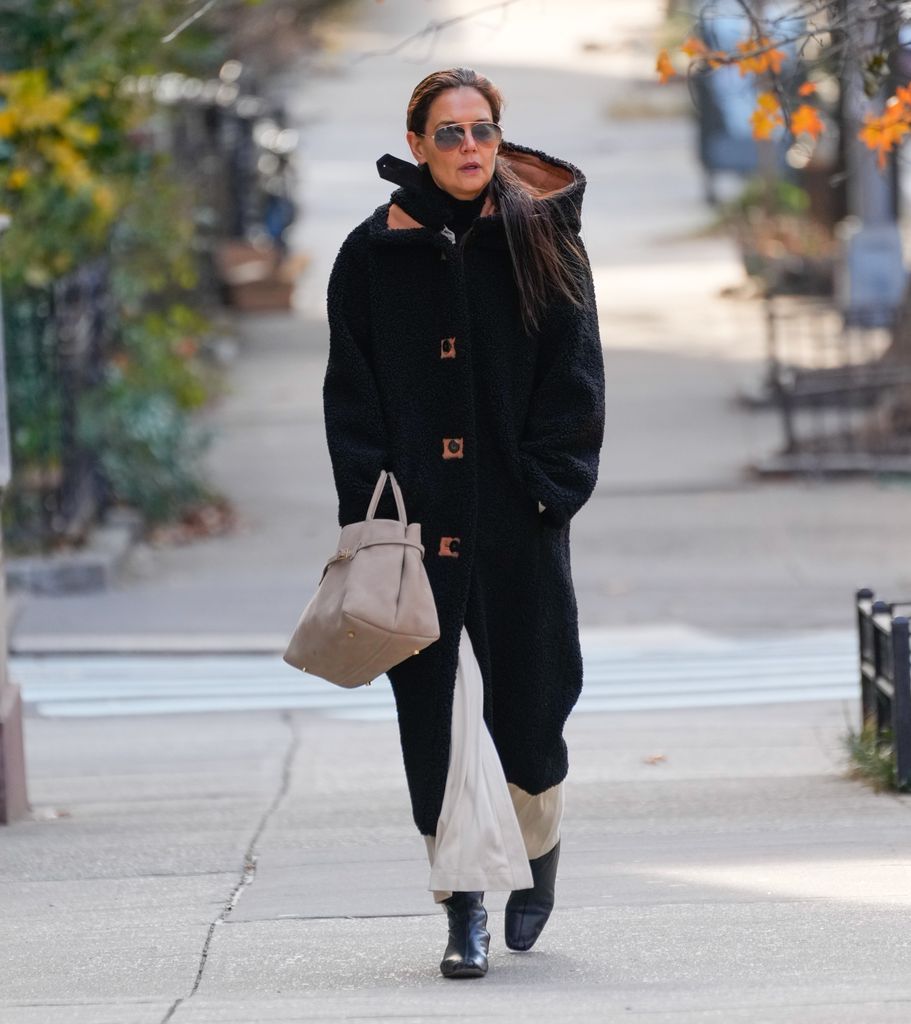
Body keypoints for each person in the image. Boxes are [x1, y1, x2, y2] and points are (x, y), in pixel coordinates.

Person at [322, 67, 605, 979]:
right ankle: (462, 909)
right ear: (415, 144)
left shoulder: (543, 240)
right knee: (432, 727)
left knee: (533, 709)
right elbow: (351, 400)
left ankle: (536, 845)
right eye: (448, 133)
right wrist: (374, 512)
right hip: (417, 537)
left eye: (480, 129)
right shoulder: (370, 255)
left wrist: (546, 489)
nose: (469, 147)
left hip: (518, 523)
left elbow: (577, 379)